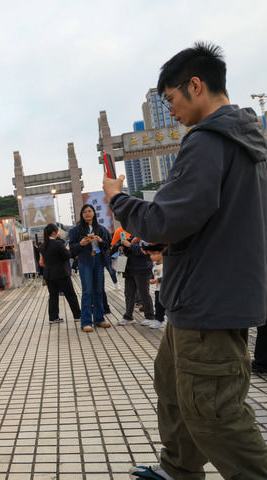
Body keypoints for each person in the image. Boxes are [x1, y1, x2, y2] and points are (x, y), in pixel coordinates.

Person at [104, 42, 267, 480]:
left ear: (196, 85)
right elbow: (208, 220)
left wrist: (118, 199)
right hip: (205, 296)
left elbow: (163, 218)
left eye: (171, 98)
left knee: (213, 411)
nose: (170, 109)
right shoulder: (246, 142)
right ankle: (178, 470)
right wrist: (173, 244)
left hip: (206, 303)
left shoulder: (209, 141)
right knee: (174, 389)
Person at [68, 204, 112, 332]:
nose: (87, 213)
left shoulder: (101, 229)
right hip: (85, 261)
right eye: (85, 212)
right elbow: (72, 249)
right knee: (87, 291)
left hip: (98, 260)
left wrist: (101, 241)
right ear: (81, 215)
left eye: (89, 211)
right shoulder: (76, 230)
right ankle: (86, 322)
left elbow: (108, 246)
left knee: (99, 290)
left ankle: (99, 319)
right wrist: (81, 244)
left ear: (94, 213)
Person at [41, 223, 81, 323]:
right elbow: (67, 256)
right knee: (70, 295)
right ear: (54, 232)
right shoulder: (58, 244)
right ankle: (77, 315)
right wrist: (67, 249)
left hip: (49, 274)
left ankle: (53, 317)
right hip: (61, 273)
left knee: (53, 296)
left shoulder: (43, 245)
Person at [116, 236, 155, 327]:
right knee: (128, 293)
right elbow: (125, 244)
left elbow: (143, 250)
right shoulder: (133, 236)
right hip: (129, 269)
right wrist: (122, 245)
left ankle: (150, 316)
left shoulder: (147, 236)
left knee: (143, 293)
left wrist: (129, 245)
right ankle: (128, 316)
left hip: (143, 269)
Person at [147, 248, 165, 329]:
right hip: (158, 290)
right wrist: (151, 280)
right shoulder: (154, 266)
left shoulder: (166, 265)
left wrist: (158, 280)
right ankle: (159, 321)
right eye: (151, 254)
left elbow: (168, 277)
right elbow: (153, 276)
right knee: (158, 306)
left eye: (154, 254)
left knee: (167, 306)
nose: (151, 256)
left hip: (166, 290)